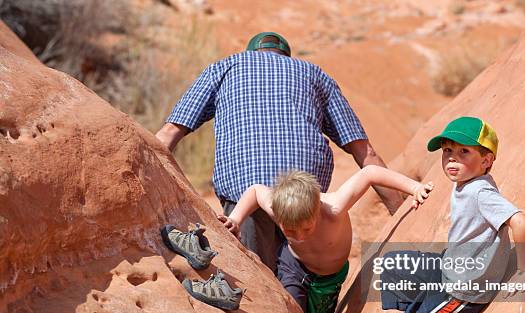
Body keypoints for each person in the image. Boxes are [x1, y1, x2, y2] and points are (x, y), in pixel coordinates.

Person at [311, 116, 525, 313]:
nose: (452, 159)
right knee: (395, 266)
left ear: (487, 160)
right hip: (454, 267)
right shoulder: (468, 182)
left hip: (463, 290)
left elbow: (521, 222)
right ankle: (420, 308)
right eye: (447, 152)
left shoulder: (480, 191)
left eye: (464, 152)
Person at [155, 32, 404, 271]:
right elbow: (364, 151)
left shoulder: (225, 67)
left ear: (252, 53)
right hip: (304, 200)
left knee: (259, 289)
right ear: (286, 56)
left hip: (246, 199)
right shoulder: (313, 74)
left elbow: (168, 134)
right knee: (300, 287)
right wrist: (401, 215)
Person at [221, 167, 433, 313]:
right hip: (293, 267)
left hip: (329, 279)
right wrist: (236, 219)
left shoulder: (334, 206)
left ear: (317, 209)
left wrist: (414, 188)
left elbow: (369, 173)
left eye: (306, 228)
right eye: (290, 231)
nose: (300, 236)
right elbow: (257, 191)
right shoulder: (279, 207)